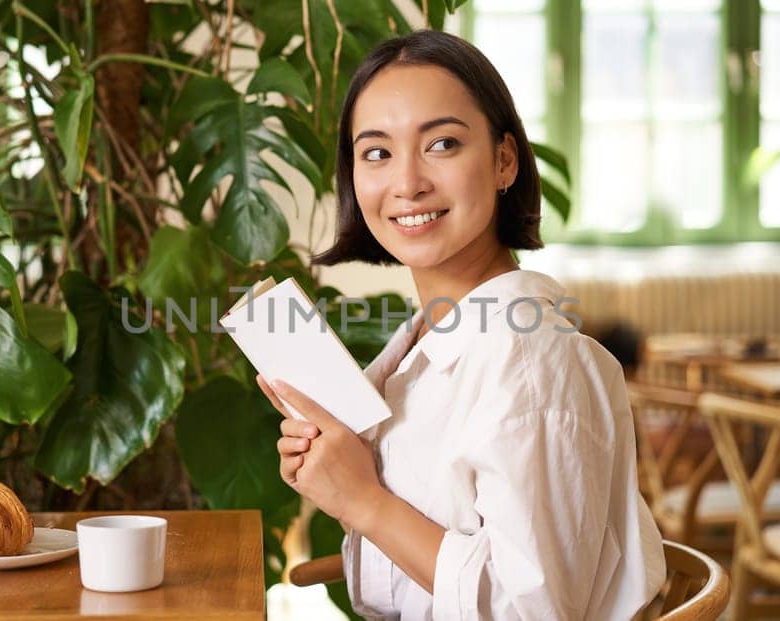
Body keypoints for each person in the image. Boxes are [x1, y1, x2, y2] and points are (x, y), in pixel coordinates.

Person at [257, 30, 664, 620]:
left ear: (503, 161)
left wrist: (367, 502)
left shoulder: (530, 361)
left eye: (442, 144)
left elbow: (533, 613)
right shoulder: (423, 346)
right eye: (376, 152)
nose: (407, 183)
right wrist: (340, 481)